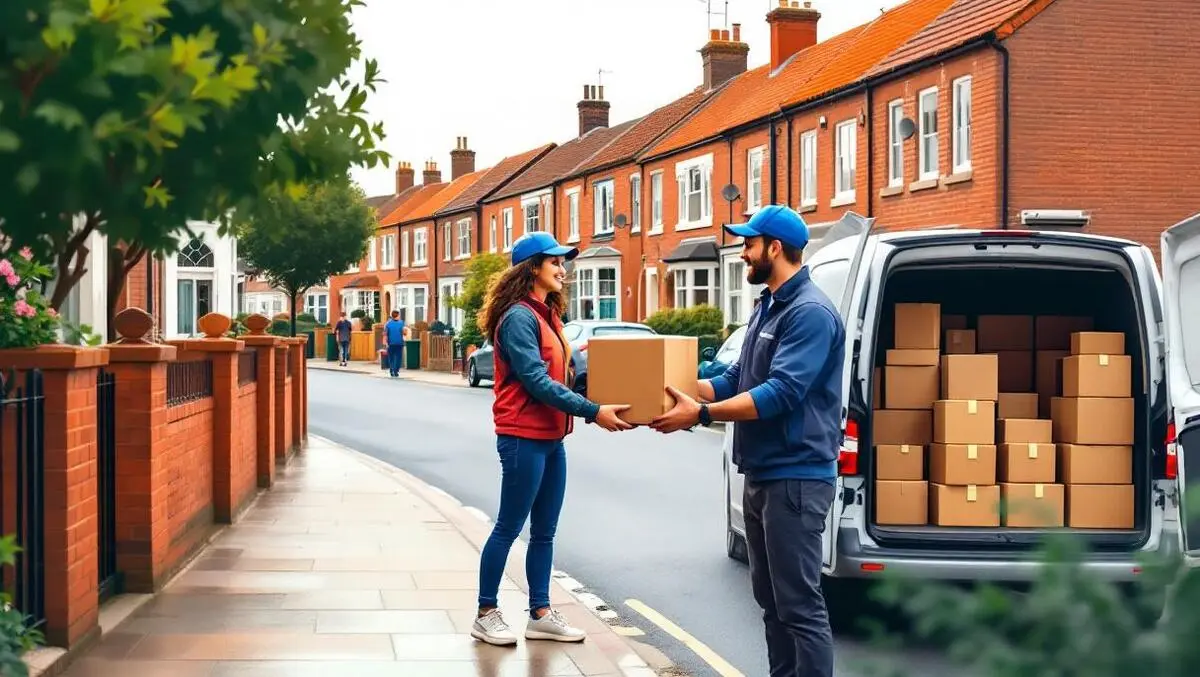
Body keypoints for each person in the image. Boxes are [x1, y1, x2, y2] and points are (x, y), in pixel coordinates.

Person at [650, 205, 845, 677]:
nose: (742, 253)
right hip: (762, 474)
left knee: (799, 607)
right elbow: (738, 377)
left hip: (796, 478)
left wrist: (699, 414)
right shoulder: (770, 305)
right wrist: (672, 384)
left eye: (749, 244)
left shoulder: (810, 312)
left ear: (774, 248)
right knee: (771, 603)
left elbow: (781, 392)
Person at [472, 231, 633, 647]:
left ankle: (540, 613)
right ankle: (485, 612)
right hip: (522, 437)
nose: (564, 269)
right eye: (555, 262)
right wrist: (593, 410)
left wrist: (597, 401)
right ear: (532, 268)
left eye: (564, 262)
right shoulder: (518, 318)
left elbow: (563, 378)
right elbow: (537, 382)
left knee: (545, 531)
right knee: (509, 526)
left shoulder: (547, 315)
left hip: (551, 437)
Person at [384, 310, 409, 377]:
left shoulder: (388, 324)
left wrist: (386, 343)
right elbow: (404, 333)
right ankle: (396, 371)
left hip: (391, 343)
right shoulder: (401, 323)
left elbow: (386, 334)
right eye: (399, 315)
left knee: (391, 358)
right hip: (399, 343)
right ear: (397, 316)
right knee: (398, 358)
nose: (399, 316)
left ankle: (392, 370)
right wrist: (405, 332)